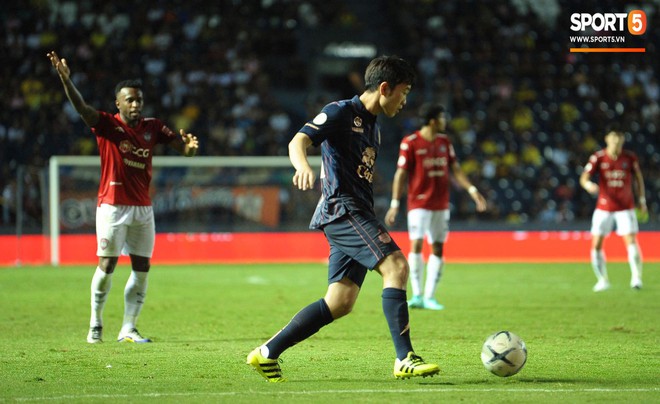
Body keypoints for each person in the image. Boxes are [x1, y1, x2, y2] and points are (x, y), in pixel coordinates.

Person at [246, 55, 440, 382]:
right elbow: (299, 140)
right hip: (342, 209)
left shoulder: (373, 128)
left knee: (340, 301)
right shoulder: (340, 111)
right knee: (397, 266)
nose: (405, 102)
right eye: (403, 92)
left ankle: (266, 353)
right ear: (384, 88)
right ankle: (404, 357)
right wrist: (303, 166)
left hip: (356, 211)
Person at [47, 51, 199, 343]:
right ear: (118, 103)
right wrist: (67, 81)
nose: (135, 104)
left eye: (138, 99)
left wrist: (190, 148)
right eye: (129, 99)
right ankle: (95, 323)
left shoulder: (153, 127)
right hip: (112, 207)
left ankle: (128, 328)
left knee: (142, 268)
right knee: (107, 265)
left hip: (143, 209)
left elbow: (185, 151)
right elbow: (81, 107)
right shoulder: (106, 124)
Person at [384, 104, 487, 310]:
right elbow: (401, 174)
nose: (445, 121)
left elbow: (456, 170)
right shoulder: (410, 142)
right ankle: (417, 294)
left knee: (438, 246)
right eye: (442, 117)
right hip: (419, 202)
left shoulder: (444, 142)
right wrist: (395, 203)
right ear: (432, 121)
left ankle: (430, 296)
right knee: (416, 245)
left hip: (440, 204)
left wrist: (473, 190)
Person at [579, 125, 646, 292]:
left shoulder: (629, 158)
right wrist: (588, 185)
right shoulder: (598, 158)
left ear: (622, 140)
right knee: (596, 244)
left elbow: (638, 179)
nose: (615, 142)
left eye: (618, 139)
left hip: (625, 207)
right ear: (607, 140)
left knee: (630, 240)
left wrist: (642, 200)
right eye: (613, 138)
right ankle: (602, 280)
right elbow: (584, 177)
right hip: (604, 207)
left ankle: (636, 278)